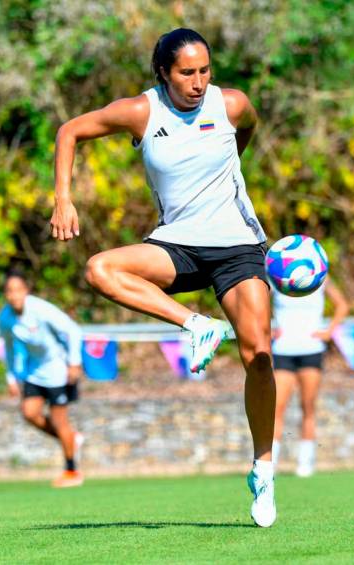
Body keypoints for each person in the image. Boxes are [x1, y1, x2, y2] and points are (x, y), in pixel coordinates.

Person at [49, 28, 277, 527]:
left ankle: (263, 467)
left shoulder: (232, 104)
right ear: (163, 73)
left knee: (258, 354)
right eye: (186, 73)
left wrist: (231, 172)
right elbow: (70, 131)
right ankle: (194, 324)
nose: (198, 83)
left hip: (238, 245)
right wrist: (64, 198)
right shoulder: (140, 112)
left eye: (204, 71)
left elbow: (247, 132)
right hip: (177, 244)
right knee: (100, 268)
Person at [0, 271, 85, 488]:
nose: (14, 295)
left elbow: (73, 330)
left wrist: (74, 362)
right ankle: (71, 439)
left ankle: (72, 470)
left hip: (58, 370)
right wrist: (10, 377)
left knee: (59, 421)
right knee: (29, 413)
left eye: (18, 290)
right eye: (9, 291)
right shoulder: (5, 318)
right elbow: (8, 349)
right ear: (5, 295)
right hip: (34, 372)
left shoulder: (41, 309)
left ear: (26, 291)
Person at [271, 279, 349, 477]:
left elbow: (342, 305)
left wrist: (329, 331)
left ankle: (305, 463)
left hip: (311, 350)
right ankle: (269, 464)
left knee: (308, 407)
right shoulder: (276, 275)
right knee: (276, 408)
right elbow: (258, 305)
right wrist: (267, 329)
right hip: (284, 350)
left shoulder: (320, 276)